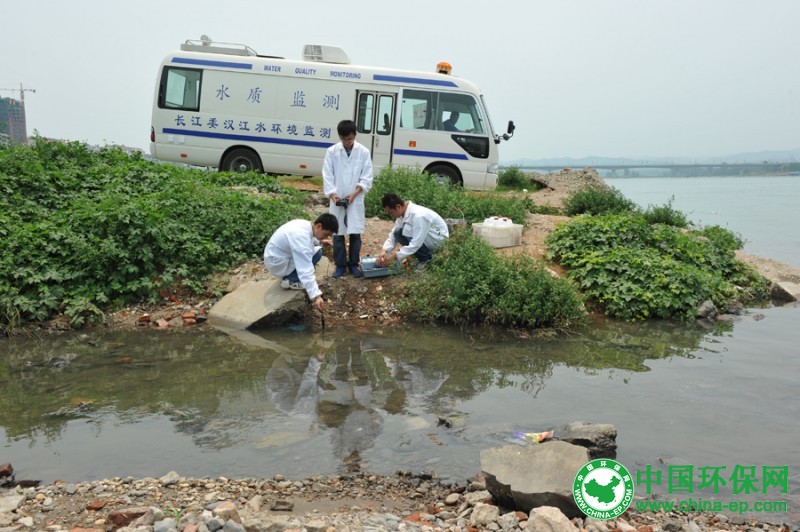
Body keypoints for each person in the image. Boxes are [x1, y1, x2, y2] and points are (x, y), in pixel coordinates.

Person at [323, 119, 374, 279]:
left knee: (355, 233)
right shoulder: (332, 152)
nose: (347, 142)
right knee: (337, 234)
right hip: (337, 199)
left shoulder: (363, 152)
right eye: (344, 139)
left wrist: (354, 194)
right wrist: (332, 195)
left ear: (355, 135)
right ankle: (340, 265)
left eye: (350, 139)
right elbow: (327, 175)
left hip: (355, 198)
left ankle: (353, 264)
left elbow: (367, 176)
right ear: (339, 136)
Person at [263, 213, 338, 312]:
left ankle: (292, 276)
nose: (326, 237)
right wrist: (316, 295)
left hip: (277, 257)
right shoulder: (300, 237)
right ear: (319, 226)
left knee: (317, 251)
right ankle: (291, 280)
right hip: (276, 262)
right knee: (311, 258)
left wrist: (320, 242)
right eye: (326, 234)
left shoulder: (304, 225)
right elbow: (305, 269)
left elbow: (308, 239)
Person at [376, 193, 449, 269]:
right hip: (426, 237)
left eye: (390, 212)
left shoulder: (419, 216)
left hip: (438, 240)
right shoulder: (403, 214)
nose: (390, 215)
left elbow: (416, 243)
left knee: (407, 230)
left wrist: (395, 256)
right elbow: (393, 234)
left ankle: (426, 260)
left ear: (398, 207)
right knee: (397, 232)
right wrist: (384, 250)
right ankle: (422, 256)